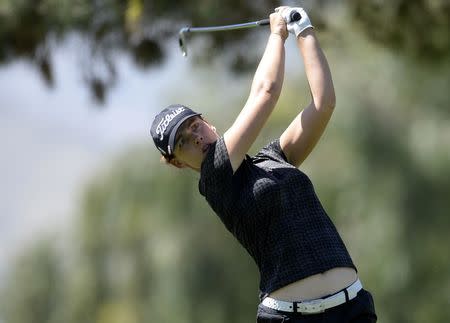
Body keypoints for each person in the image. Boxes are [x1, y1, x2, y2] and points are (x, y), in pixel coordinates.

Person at [150, 6, 377, 323]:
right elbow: (266, 92)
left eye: (195, 126)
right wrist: (276, 34)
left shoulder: (275, 157)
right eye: (184, 141)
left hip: (352, 308)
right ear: (177, 163)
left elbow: (323, 104)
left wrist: (303, 29)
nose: (197, 138)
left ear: (209, 123)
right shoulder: (215, 179)